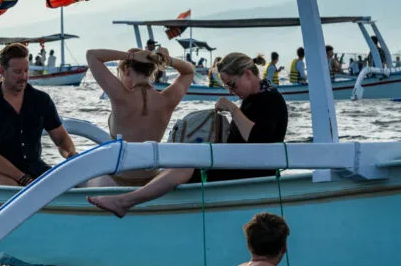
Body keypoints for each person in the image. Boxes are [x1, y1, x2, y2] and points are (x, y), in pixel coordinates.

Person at [88, 52, 289, 217]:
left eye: (232, 85)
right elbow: (188, 72)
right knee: (186, 155)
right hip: (238, 165)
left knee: (186, 163)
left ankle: (125, 202)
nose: (230, 91)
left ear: (247, 74)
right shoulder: (255, 96)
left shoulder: (269, 99)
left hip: (248, 172)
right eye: (226, 86)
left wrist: (232, 109)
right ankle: (140, 194)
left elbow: (258, 139)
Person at [86, 44, 195, 185]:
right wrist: (168, 60)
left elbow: (91, 55)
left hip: (115, 181)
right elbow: (189, 72)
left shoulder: (120, 96)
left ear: (126, 70)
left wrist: (130, 56)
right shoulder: (167, 99)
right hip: (150, 182)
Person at [0, 43, 77, 186]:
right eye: (17, 72)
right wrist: (24, 179)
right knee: (10, 188)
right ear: (2, 71)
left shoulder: (41, 100)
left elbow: (60, 139)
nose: (23, 76)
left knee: (72, 183)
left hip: (35, 168)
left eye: (26, 71)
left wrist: (72, 157)